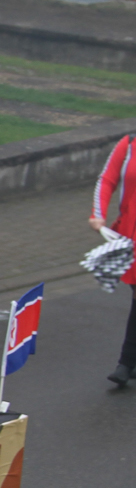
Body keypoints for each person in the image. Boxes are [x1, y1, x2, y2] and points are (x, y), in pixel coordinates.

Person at [89, 132, 136, 386]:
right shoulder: (128, 145)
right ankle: (128, 363)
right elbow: (107, 179)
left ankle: (126, 363)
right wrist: (98, 214)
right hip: (130, 236)